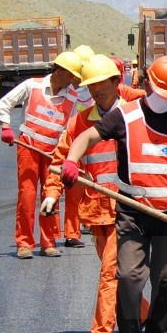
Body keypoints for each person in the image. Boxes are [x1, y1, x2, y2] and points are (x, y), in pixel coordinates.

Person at [61, 55, 167, 333]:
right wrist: (72, 160)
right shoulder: (125, 117)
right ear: (149, 85)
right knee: (128, 276)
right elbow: (86, 136)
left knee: (165, 280)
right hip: (133, 212)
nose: (164, 100)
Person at [41, 55, 147, 333]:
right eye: (91, 86)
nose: (96, 90)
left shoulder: (133, 116)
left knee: (111, 270)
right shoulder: (81, 122)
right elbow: (61, 158)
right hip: (96, 207)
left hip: (127, 207)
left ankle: (103, 331)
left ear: (116, 82)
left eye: (102, 84)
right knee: (113, 269)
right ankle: (145, 314)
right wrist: (52, 194)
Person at [0, 50, 83, 259]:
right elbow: (5, 103)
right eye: (70, 76)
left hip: (54, 152)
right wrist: (6, 127)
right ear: (59, 71)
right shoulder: (32, 85)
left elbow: (70, 129)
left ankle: (48, 242)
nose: (73, 82)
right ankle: (24, 243)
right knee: (27, 194)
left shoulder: (72, 98)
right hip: (28, 146)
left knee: (50, 195)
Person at [61, 44, 97, 249]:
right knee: (73, 190)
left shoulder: (93, 89)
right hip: (73, 143)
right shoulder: (67, 91)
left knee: (93, 185)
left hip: (92, 143)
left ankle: (92, 220)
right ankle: (72, 233)